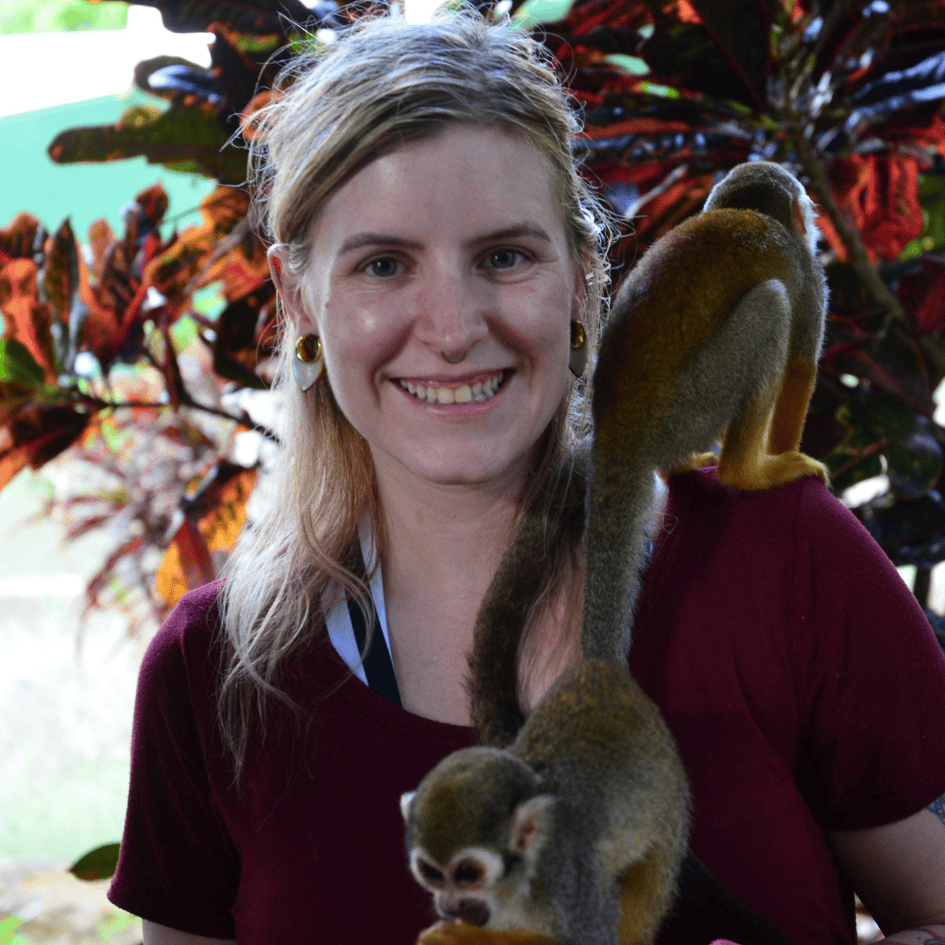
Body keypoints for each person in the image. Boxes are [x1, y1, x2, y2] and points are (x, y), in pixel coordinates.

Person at [106, 8, 945, 945]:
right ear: (299, 300)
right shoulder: (215, 677)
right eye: (383, 264)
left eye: (504, 256)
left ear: (580, 278)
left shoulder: (780, 558)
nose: (453, 328)